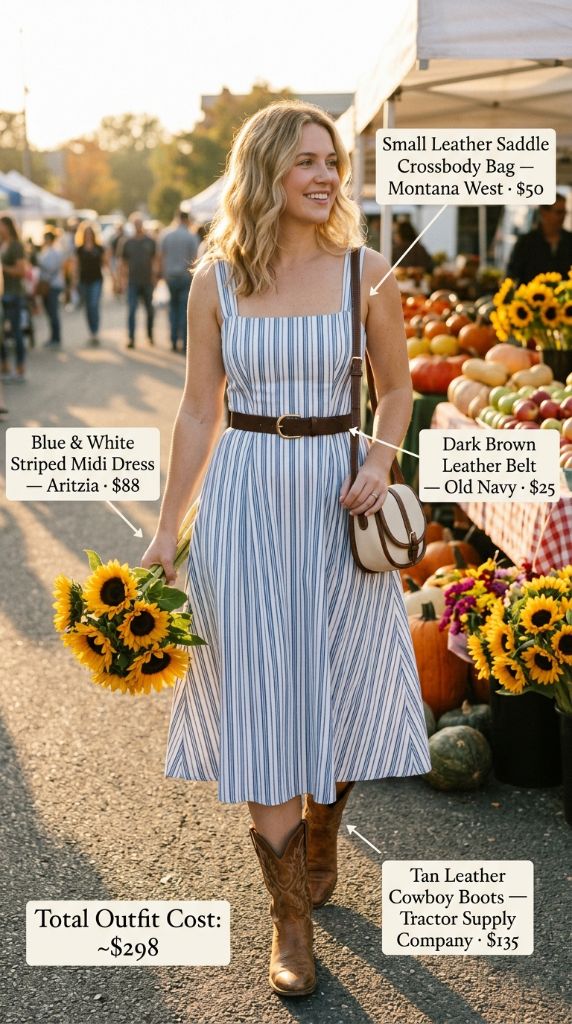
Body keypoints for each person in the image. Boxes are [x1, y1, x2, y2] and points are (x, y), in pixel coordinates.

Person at [141, 101, 430, 999]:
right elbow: (198, 410)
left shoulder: (368, 274)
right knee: (265, 697)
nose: (325, 176)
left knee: (341, 681)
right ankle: (289, 917)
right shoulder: (215, 281)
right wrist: (164, 528)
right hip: (244, 499)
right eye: (306, 160)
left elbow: (397, 391)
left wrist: (382, 460)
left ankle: (322, 832)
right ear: (264, 170)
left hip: (340, 499)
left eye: (333, 161)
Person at [507, 193, 572, 282]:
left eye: (565, 212)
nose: (563, 216)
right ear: (544, 213)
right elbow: (513, 275)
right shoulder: (526, 243)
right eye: (559, 212)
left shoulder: (569, 240)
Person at [159, 209, 199, 353]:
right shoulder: (191, 236)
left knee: (172, 308)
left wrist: (162, 274)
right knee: (184, 309)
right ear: (186, 219)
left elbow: (161, 256)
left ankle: (173, 340)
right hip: (184, 276)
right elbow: (195, 259)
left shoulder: (166, 234)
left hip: (170, 276)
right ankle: (184, 342)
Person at [121, 213, 157, 348]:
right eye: (135, 224)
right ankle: (131, 338)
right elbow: (123, 263)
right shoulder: (127, 242)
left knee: (150, 310)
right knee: (131, 310)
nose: (138, 226)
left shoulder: (150, 241)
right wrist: (122, 280)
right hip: (132, 281)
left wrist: (155, 277)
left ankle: (150, 335)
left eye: (139, 224)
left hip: (147, 281)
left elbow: (155, 260)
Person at [0, 215, 27, 381]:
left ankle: (20, 368)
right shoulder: (2, 245)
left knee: (16, 332)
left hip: (14, 293)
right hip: (3, 294)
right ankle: (5, 366)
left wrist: (3, 268)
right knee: (1, 333)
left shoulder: (16, 246)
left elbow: (22, 271)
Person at [74, 222, 106, 345]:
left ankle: (96, 331)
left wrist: (114, 279)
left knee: (94, 305)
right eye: (86, 233)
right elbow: (76, 266)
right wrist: (74, 282)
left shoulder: (99, 248)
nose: (88, 236)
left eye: (90, 233)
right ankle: (92, 331)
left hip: (96, 280)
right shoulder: (79, 249)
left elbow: (105, 263)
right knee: (87, 307)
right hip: (84, 281)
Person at [37, 229, 65, 347]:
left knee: (53, 312)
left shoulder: (54, 252)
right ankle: (53, 337)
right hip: (49, 284)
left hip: (52, 285)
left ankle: (56, 338)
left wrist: (39, 263)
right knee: (49, 312)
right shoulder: (47, 251)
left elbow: (51, 268)